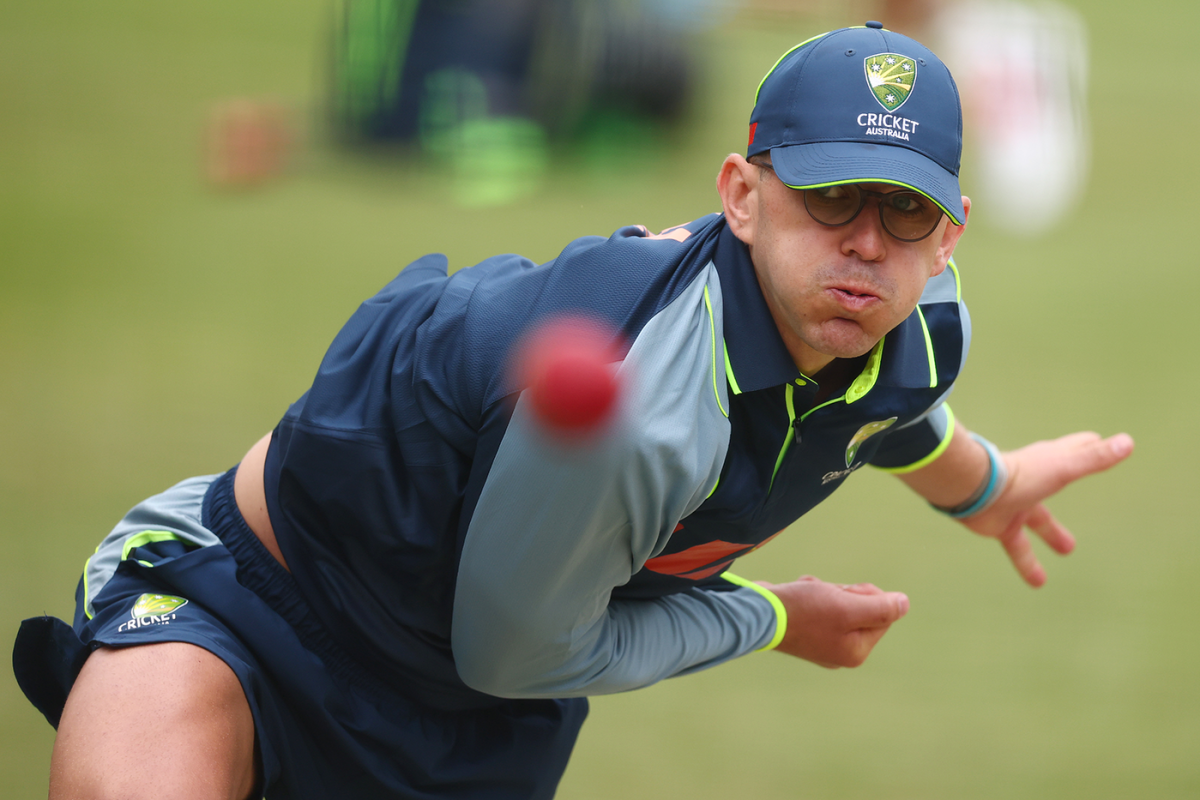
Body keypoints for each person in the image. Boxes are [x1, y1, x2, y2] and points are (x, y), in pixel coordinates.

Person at [13, 21, 1131, 800]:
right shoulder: (641, 408)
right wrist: (778, 617)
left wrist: (985, 486)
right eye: (830, 194)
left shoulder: (920, 328)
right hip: (261, 608)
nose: (866, 241)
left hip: (468, 725)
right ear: (741, 196)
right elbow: (520, 647)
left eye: (906, 210)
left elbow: (887, 410)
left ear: (951, 238)